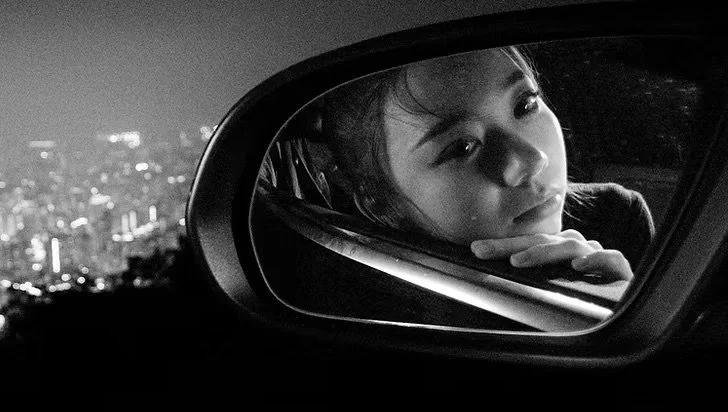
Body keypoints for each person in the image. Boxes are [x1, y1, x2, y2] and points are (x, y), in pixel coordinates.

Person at [279, 46, 655, 281]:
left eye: (525, 104)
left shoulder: (618, 217)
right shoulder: (363, 292)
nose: (531, 159)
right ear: (379, 202)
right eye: (461, 147)